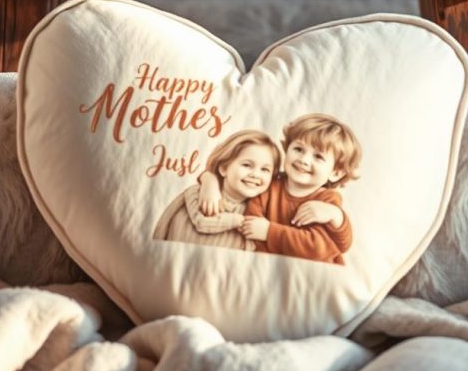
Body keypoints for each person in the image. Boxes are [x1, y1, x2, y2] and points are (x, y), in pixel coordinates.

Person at [200, 113, 361, 264]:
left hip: (315, 280)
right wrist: (210, 181)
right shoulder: (270, 184)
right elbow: (251, 227)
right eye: (298, 149)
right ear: (287, 149)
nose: (304, 159)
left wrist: (270, 232)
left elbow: (318, 248)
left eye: (318, 157)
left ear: (335, 173)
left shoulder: (327, 201)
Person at [152, 129, 280, 250]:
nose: (255, 174)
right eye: (246, 165)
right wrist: (209, 180)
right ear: (223, 168)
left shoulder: (257, 209)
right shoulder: (199, 192)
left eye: (265, 169)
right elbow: (201, 222)